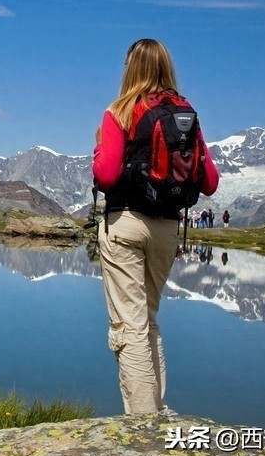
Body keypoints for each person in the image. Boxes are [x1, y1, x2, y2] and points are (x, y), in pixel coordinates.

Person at [93, 38, 219, 414]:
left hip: (126, 225)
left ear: (130, 68)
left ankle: (143, 424)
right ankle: (158, 409)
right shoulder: (186, 116)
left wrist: (99, 149)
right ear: (167, 66)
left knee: (128, 327)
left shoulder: (120, 111)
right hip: (167, 229)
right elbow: (209, 182)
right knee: (146, 319)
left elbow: (107, 173)